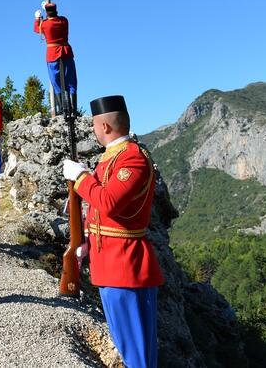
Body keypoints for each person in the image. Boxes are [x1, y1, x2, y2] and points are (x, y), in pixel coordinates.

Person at [62, 95, 163, 368]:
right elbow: (99, 213)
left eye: (95, 126)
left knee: (138, 355)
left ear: (104, 127)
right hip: (108, 262)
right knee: (125, 346)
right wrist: (86, 243)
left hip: (127, 266)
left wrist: (80, 177)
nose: (94, 131)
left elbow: (107, 202)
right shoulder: (112, 158)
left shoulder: (133, 159)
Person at [33, 2, 77, 115]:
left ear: (47, 12)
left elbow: (36, 29)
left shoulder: (45, 24)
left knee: (55, 81)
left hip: (52, 53)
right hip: (66, 51)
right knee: (71, 80)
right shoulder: (64, 20)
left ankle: (62, 108)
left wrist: (38, 18)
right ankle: (73, 108)